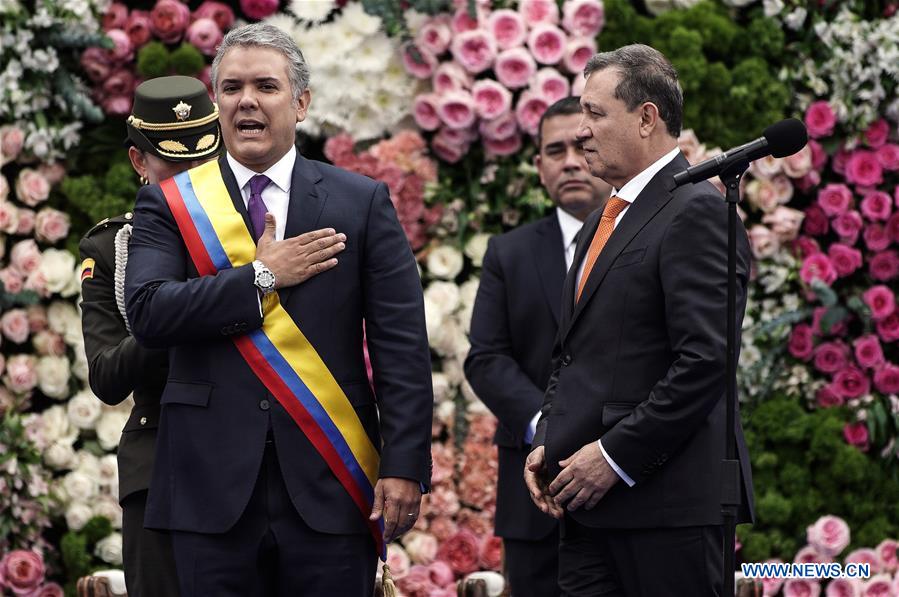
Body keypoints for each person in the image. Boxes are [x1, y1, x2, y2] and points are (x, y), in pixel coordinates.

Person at [124, 23, 433, 597]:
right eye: (232, 87)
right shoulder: (169, 203)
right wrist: (261, 277)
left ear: (302, 103)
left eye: (266, 86)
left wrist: (405, 463)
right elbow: (148, 312)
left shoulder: (359, 201)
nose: (247, 101)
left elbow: (401, 346)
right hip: (207, 489)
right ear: (215, 103)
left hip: (329, 479)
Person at [524, 44, 755, 596]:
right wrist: (550, 437)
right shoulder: (603, 219)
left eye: (595, 114)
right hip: (587, 508)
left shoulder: (697, 209)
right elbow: (572, 351)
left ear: (647, 117)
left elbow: (705, 360)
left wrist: (613, 457)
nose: (581, 131)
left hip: (665, 510)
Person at [79, 75, 222, 597]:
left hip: (257, 448)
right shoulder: (114, 248)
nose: (192, 177)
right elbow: (107, 376)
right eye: (174, 165)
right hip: (163, 452)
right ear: (140, 162)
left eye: (203, 161)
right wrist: (173, 310)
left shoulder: (260, 227)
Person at [465, 96, 611, 597]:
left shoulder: (653, 240)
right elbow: (486, 358)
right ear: (539, 167)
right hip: (535, 491)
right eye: (554, 151)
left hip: (630, 476)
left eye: (581, 145)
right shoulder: (508, 253)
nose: (569, 160)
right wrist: (545, 429)